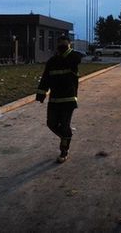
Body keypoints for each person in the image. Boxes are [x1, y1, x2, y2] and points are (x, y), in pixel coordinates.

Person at [36, 35, 83, 163]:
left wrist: (65, 52)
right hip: (54, 100)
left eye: (64, 45)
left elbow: (76, 59)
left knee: (64, 125)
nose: (62, 47)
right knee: (51, 123)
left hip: (68, 99)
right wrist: (41, 93)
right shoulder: (52, 62)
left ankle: (64, 150)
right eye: (60, 45)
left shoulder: (73, 58)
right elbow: (46, 78)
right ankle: (66, 136)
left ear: (69, 45)